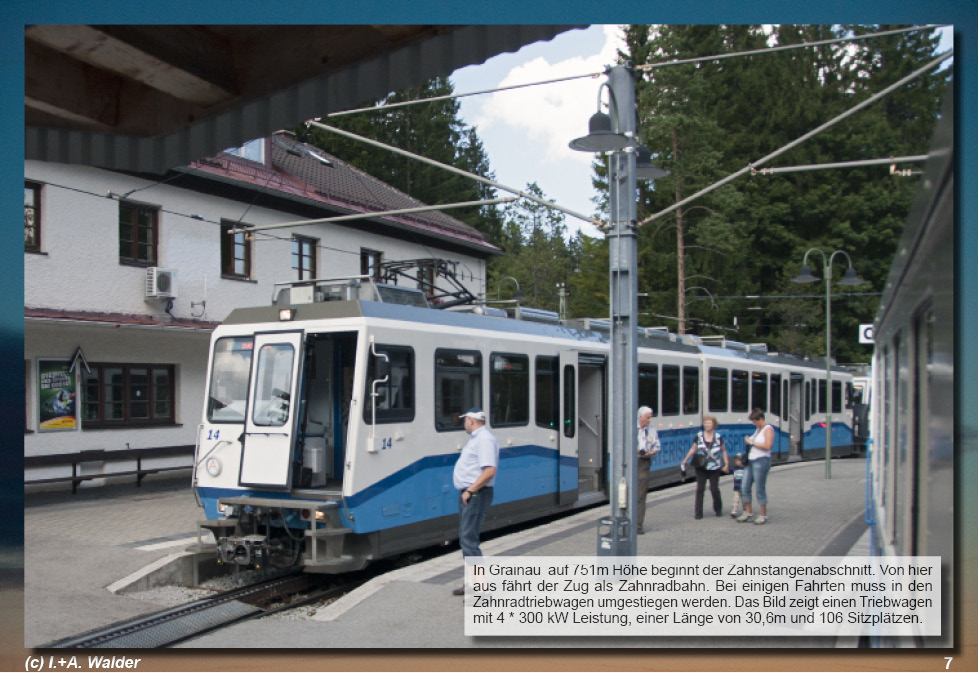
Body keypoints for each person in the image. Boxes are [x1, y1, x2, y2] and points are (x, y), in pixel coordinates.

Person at [451, 408, 499, 595]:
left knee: (469, 540)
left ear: (471, 421)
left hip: (475, 494)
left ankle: (480, 587)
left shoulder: (484, 439)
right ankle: (472, 583)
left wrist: (470, 490)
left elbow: (489, 470)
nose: (464, 424)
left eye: (465, 421)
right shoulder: (478, 439)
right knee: (466, 539)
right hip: (471, 494)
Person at [680, 415, 729, 518]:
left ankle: (718, 509)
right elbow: (693, 449)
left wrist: (726, 463)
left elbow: (723, 450)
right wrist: (685, 459)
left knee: (714, 488)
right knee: (700, 489)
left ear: (714, 425)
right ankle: (698, 513)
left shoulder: (718, 437)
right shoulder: (699, 436)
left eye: (709, 423)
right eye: (705, 423)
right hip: (700, 466)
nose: (707, 425)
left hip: (714, 466)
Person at [738, 408, 774, 525]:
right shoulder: (757, 429)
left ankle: (763, 515)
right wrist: (749, 440)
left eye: (755, 421)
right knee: (744, 486)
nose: (754, 423)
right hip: (751, 460)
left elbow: (768, 446)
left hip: (761, 460)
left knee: (759, 488)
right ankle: (748, 513)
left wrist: (752, 443)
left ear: (761, 419)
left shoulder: (768, 429)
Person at [635, 405, 661, 535]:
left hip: (644, 462)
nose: (650, 420)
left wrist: (652, 452)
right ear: (640, 417)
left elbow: (657, 445)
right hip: (631, 462)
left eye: (650, 418)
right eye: (648, 418)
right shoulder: (631, 429)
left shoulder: (652, 430)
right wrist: (636, 449)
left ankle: (638, 525)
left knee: (640, 495)